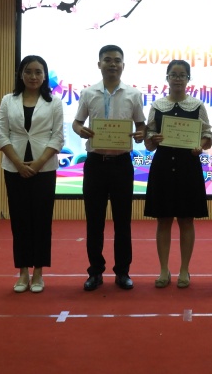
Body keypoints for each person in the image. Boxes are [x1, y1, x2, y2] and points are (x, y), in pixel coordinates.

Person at [72, 45, 146, 291]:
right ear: (99, 64)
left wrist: (140, 134)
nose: (112, 64)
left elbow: (141, 126)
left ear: (123, 65)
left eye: (117, 60)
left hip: (122, 165)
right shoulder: (88, 93)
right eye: (107, 60)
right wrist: (80, 130)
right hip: (95, 164)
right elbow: (76, 123)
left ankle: (122, 272)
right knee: (94, 222)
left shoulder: (133, 94)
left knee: (123, 222)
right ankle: (95, 272)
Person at [0, 55, 64, 294]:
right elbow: (1, 135)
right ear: (20, 74)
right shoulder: (8, 100)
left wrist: (37, 164)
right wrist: (19, 164)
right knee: (20, 220)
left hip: (44, 168)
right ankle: (23, 272)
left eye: (38, 72)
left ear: (44, 76)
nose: (33, 76)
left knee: (41, 221)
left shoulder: (54, 102)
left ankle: (38, 273)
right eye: (28, 71)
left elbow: (58, 137)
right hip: (14, 169)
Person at [144, 60, 212, 288]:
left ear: (188, 79)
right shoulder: (157, 106)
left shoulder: (197, 106)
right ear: (167, 78)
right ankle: (164, 269)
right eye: (173, 75)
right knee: (163, 220)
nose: (177, 79)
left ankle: (184, 269)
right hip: (163, 167)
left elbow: (207, 134)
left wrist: (201, 146)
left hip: (188, 167)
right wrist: (153, 138)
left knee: (186, 219)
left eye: (182, 75)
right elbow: (149, 141)